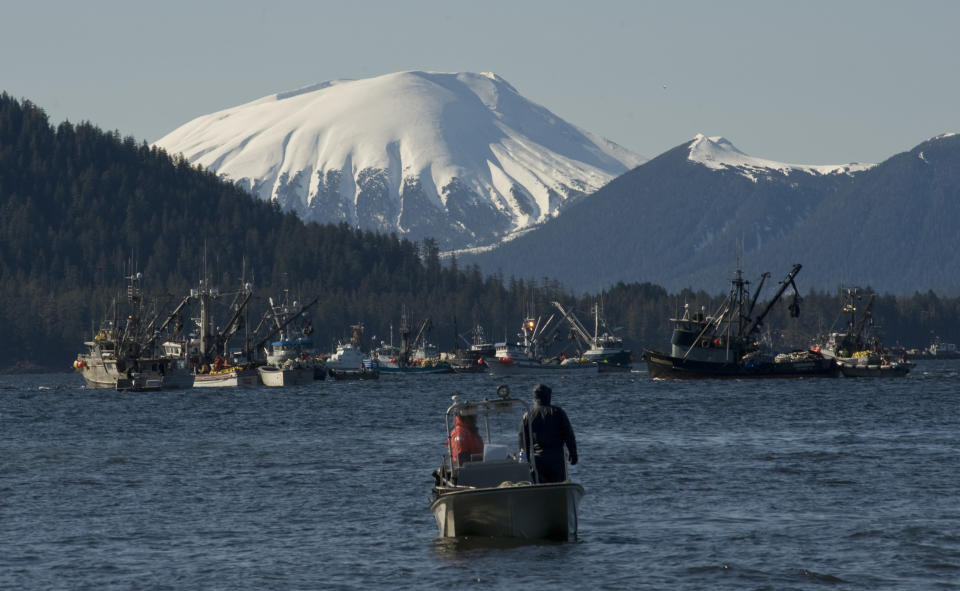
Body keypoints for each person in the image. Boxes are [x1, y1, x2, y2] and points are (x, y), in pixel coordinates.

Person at [519, 383, 578, 483]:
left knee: (540, 486)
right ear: (548, 397)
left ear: (535, 398)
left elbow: (523, 442)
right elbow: (569, 435)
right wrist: (573, 453)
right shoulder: (558, 412)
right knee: (558, 487)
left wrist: (523, 461)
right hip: (557, 459)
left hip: (538, 461)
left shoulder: (527, 415)